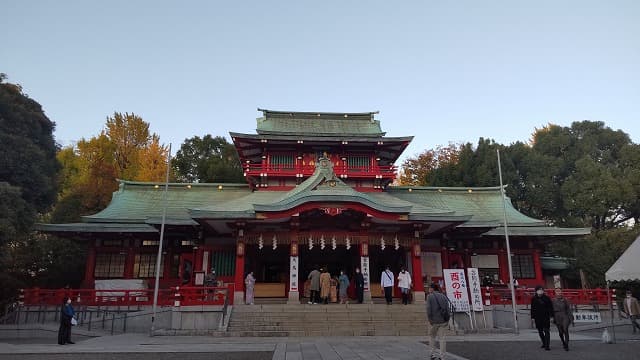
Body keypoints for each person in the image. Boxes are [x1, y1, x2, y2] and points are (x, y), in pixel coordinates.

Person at [426, 283, 450, 360]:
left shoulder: (430, 296)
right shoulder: (443, 296)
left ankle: (432, 354)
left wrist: (430, 319)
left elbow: (428, 309)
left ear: (432, 289)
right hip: (443, 320)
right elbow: (447, 308)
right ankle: (442, 356)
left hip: (434, 321)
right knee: (442, 338)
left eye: (429, 288)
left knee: (432, 337)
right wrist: (447, 319)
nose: (428, 289)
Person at [531, 285, 553, 350]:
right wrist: (532, 317)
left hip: (546, 317)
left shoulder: (547, 298)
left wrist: (551, 316)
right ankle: (544, 342)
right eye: (539, 289)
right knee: (540, 331)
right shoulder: (533, 299)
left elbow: (550, 308)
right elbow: (532, 308)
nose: (540, 291)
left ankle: (547, 345)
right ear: (536, 291)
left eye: (541, 289)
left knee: (546, 331)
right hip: (537, 317)